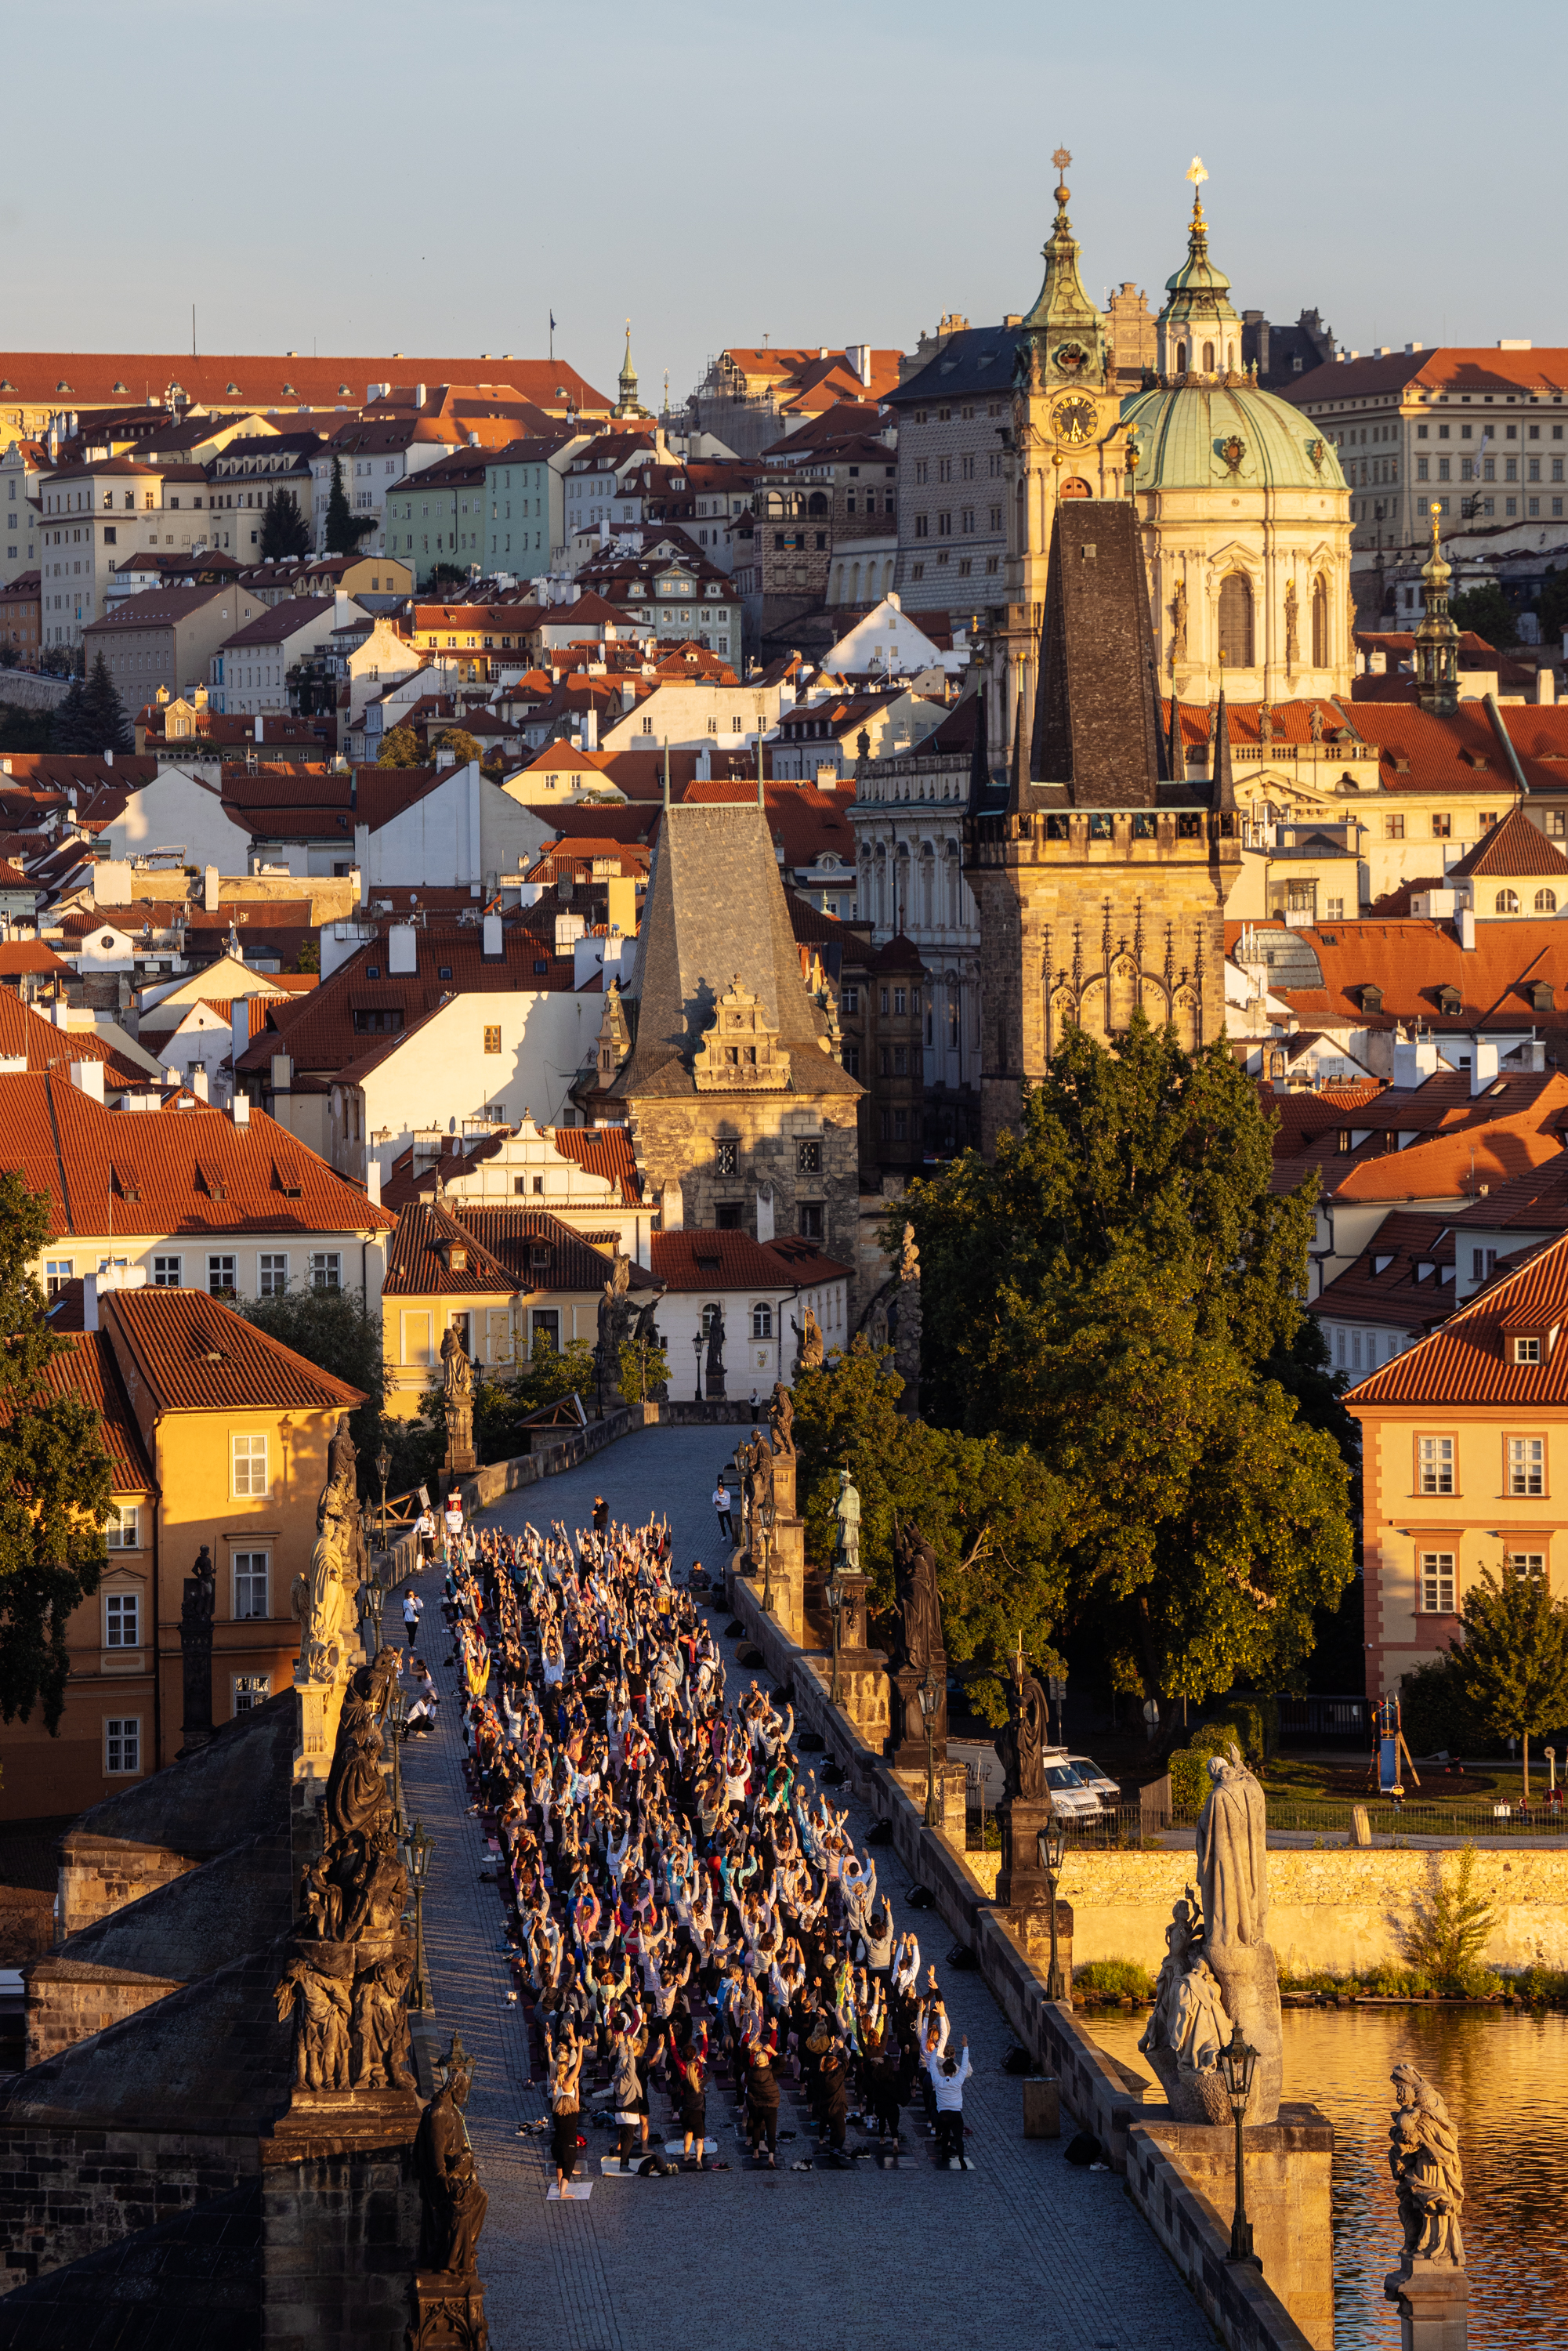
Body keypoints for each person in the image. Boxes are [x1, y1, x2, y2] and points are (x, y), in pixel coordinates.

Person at [928, 2028, 972, 2169]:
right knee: (958, 2138)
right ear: (953, 2071)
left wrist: (935, 2049)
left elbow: (932, 2066)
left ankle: (944, 2155)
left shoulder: (938, 2081)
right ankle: (961, 2160)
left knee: (945, 2135)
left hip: (943, 2114)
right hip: (956, 2113)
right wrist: (965, 2047)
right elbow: (964, 2067)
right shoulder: (957, 2081)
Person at [549, 2037, 585, 2193]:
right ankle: (563, 2188)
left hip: (559, 2117)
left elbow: (551, 2066)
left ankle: (558, 2182)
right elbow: (578, 2065)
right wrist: (580, 2047)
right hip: (569, 2114)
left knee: (560, 2161)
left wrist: (548, 2046)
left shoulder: (555, 2082)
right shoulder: (568, 2082)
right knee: (568, 2155)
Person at [402, 1585, 424, 1657]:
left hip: (415, 1619)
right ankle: (411, 1646)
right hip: (408, 1620)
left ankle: (412, 1645)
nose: (412, 1596)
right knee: (411, 1633)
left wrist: (417, 1599)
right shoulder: (406, 1601)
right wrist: (411, 1599)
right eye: (410, 1595)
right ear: (407, 1595)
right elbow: (407, 1606)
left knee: (413, 1633)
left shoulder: (415, 1600)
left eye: (413, 1594)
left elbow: (420, 1606)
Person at [712, 1475, 733, 1545]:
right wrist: (716, 1503)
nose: (719, 1493)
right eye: (719, 1492)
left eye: (721, 1492)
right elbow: (713, 1501)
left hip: (726, 1510)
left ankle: (733, 1534)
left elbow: (728, 1502)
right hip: (719, 1511)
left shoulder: (727, 1493)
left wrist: (722, 1503)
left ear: (723, 1490)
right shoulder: (715, 1493)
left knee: (730, 1523)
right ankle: (724, 1535)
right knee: (722, 1524)